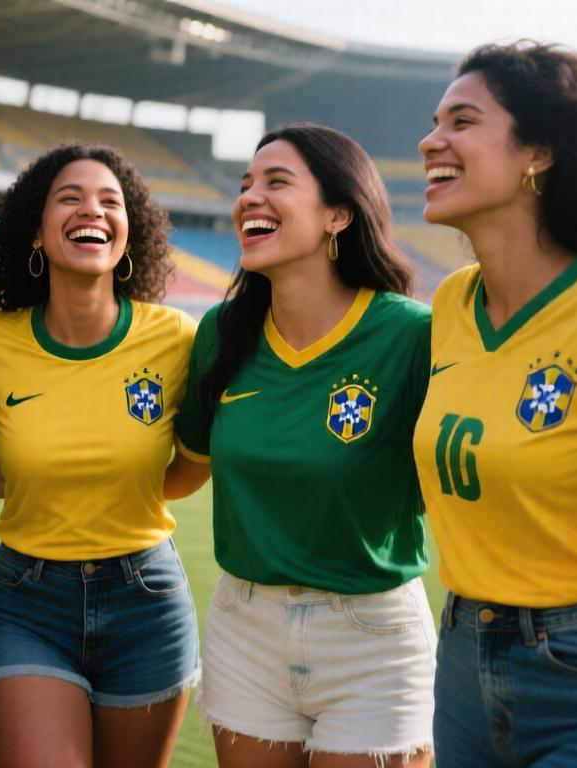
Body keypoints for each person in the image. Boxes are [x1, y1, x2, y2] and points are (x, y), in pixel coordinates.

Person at [414, 42, 577, 766]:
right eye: (435, 122)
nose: (431, 140)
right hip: (460, 663)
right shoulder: (452, 304)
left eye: (462, 121)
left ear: (539, 153)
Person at [169, 123, 435, 767]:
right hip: (245, 627)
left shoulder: (411, 335)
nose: (249, 198)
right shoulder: (220, 333)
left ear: (338, 215)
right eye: (245, 185)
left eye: (277, 182)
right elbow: (182, 472)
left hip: (373, 637)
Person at [0, 142, 198, 768]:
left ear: (129, 234)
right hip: (25, 603)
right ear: (36, 233)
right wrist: (45, 474)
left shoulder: (176, 339)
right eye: (70, 198)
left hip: (147, 601)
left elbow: (189, 469)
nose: (92, 210)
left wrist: (106, 480)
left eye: (109, 202)